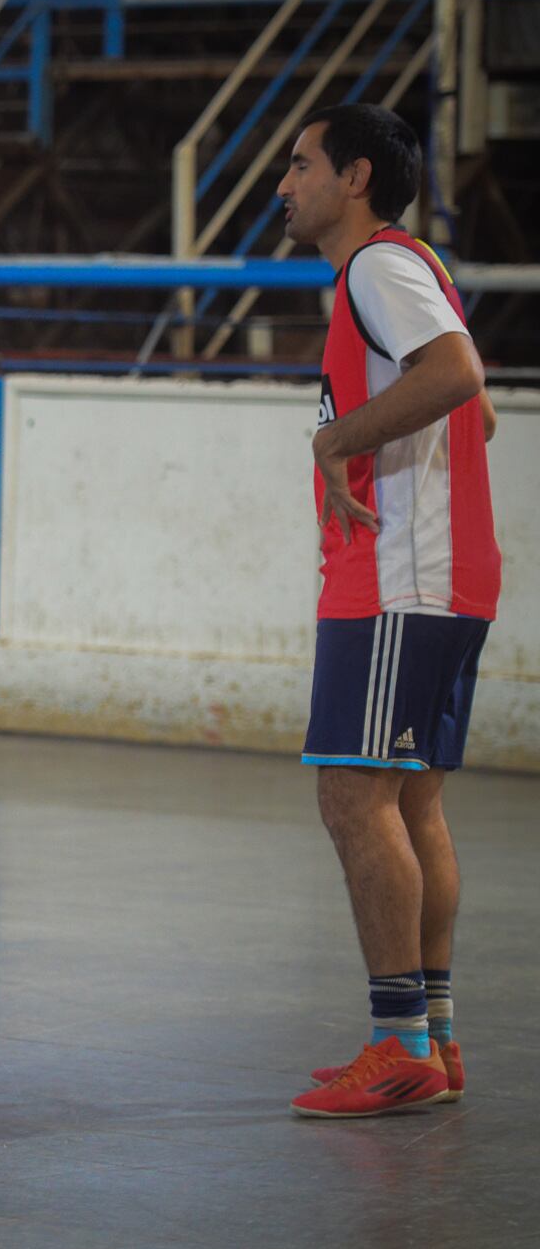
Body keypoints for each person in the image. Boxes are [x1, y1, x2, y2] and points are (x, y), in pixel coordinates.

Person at [275, 104, 500, 1119]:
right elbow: (479, 403)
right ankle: (433, 1038)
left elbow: (455, 378)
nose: (283, 183)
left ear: (352, 175)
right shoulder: (405, 269)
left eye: (298, 162)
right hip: (445, 573)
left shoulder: (374, 266)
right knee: (409, 801)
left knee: (350, 798)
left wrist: (336, 444)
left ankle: (396, 1040)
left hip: (398, 578)